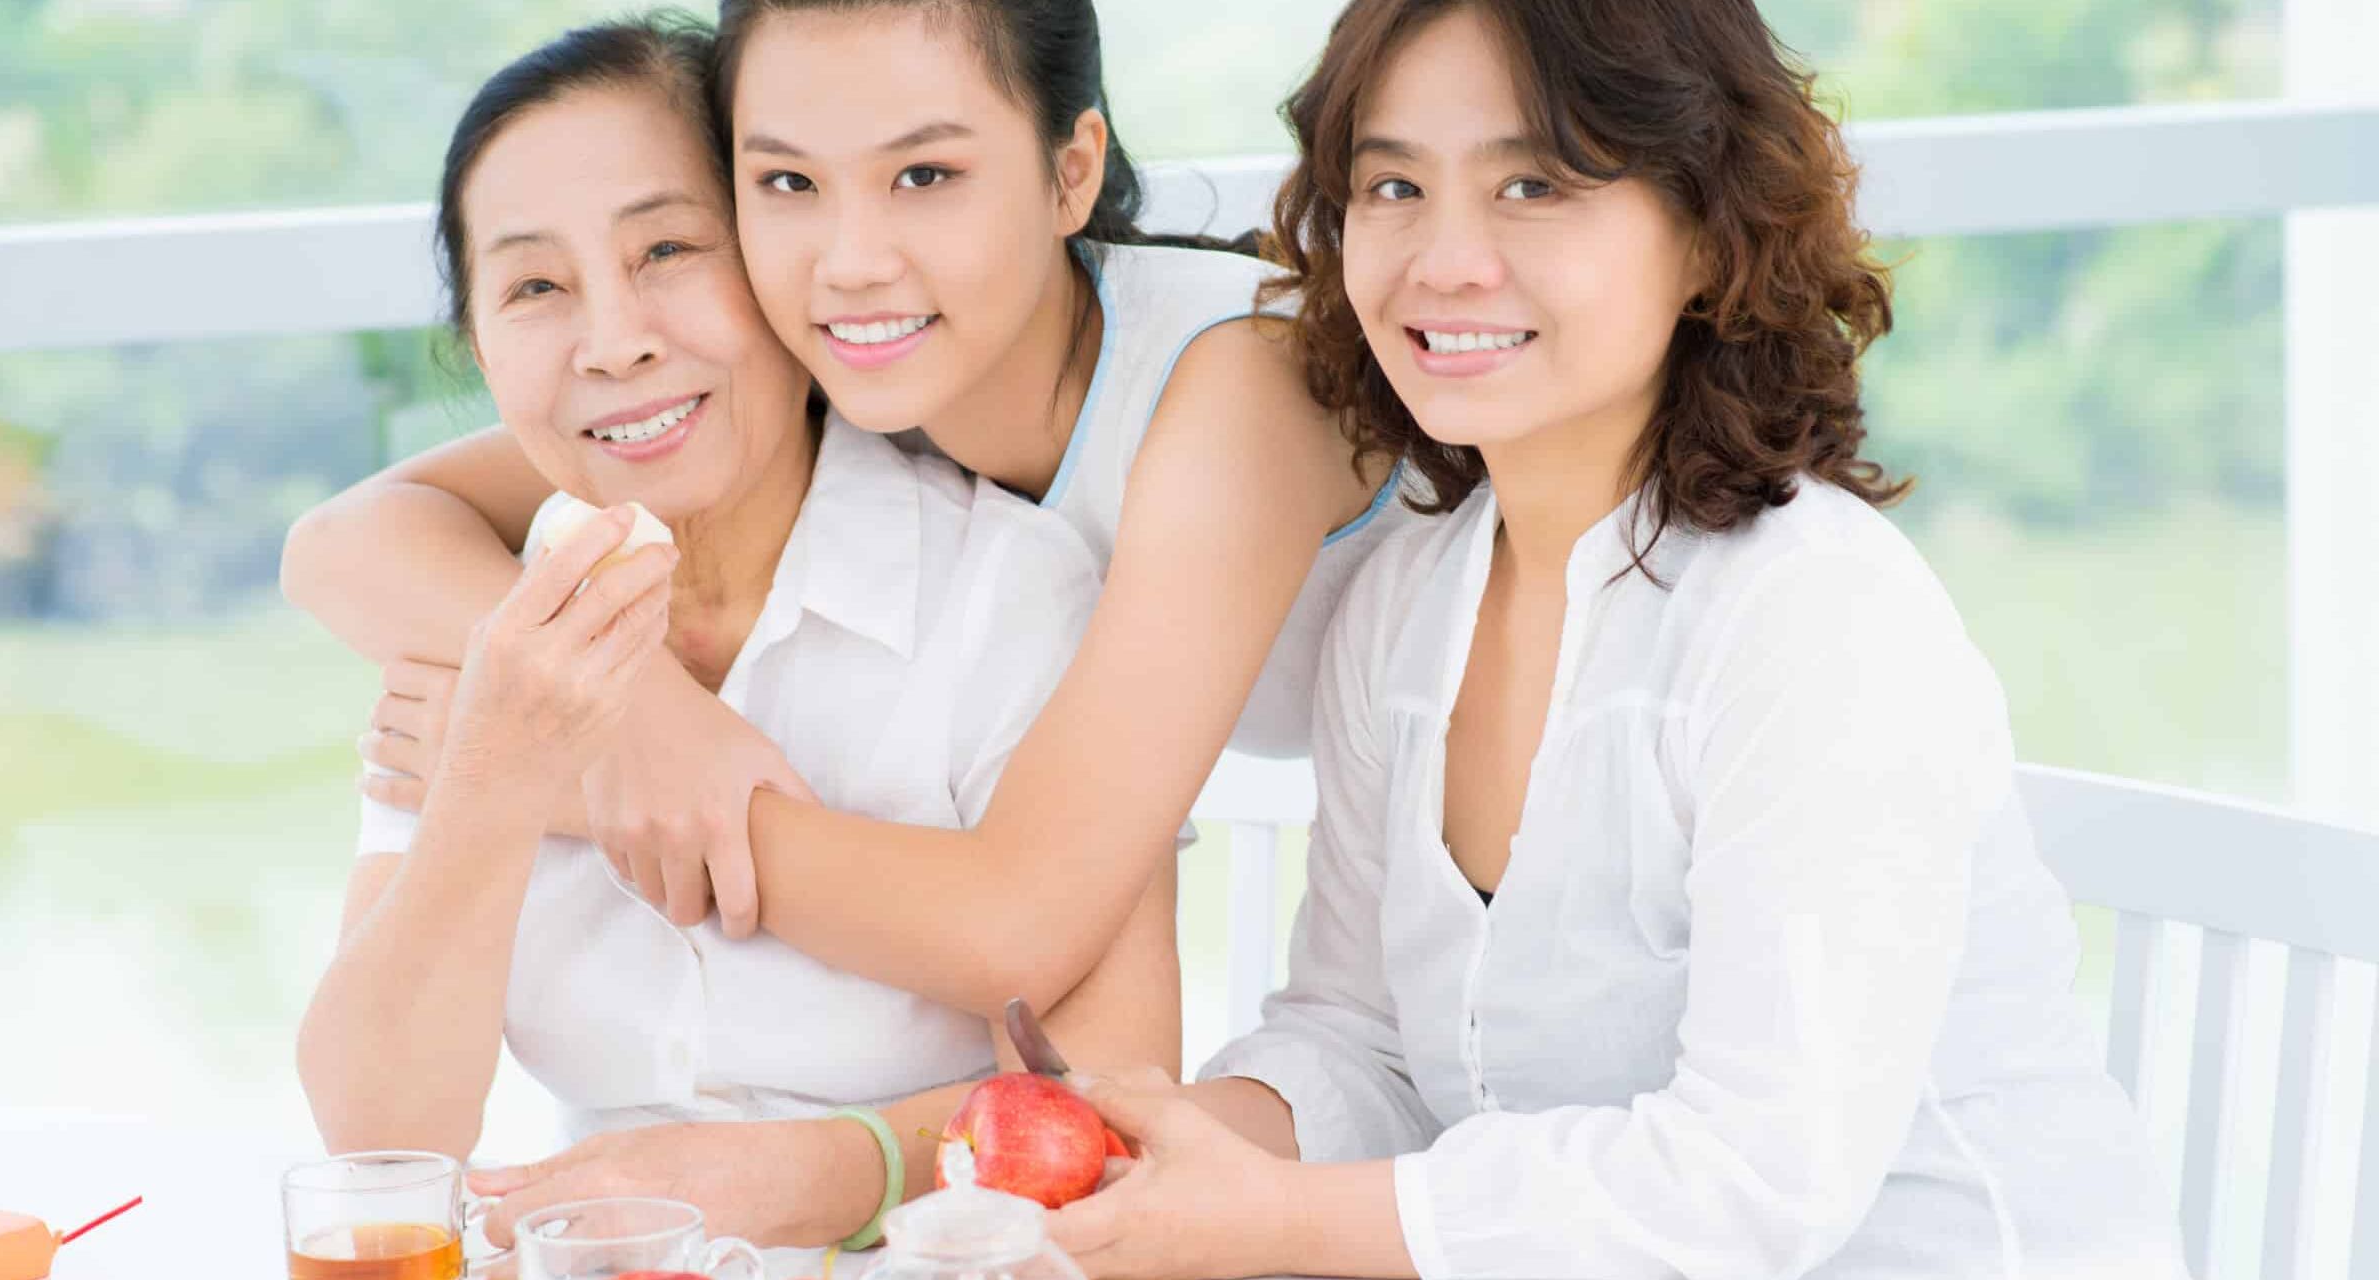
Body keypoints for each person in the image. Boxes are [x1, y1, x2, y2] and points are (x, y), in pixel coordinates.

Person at [1043, 2, 2186, 1277]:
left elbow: (1753, 1181)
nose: (1444, 258)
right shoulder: (1406, 601)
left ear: (1706, 230)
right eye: (1393, 184)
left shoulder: (1812, 617)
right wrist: (1147, 1155)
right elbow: (1360, 1042)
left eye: (1533, 183)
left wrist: (1264, 1219)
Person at [277, 0, 1410, 1030]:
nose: (852, 262)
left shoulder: (1233, 391)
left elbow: (1015, 925)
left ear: (1070, 173)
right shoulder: (857, 363)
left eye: (924, 175)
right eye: (787, 184)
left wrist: (576, 787)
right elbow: (346, 541)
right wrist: (642, 718)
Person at [291, 17, 1176, 1253]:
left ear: (775, 257)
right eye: (535, 285)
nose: (614, 341)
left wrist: (825, 1170)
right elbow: (380, 1136)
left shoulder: (1007, 590)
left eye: (667, 248)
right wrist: (505, 771)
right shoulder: (493, 621)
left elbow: (1109, 1098)